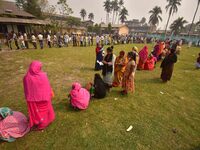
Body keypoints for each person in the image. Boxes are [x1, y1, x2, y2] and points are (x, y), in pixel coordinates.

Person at [23, 61, 55, 130]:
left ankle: (41, 124)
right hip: (45, 98)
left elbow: (27, 90)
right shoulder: (43, 76)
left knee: (39, 113)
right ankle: (45, 122)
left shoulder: (26, 78)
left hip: (34, 100)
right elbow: (48, 87)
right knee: (45, 111)